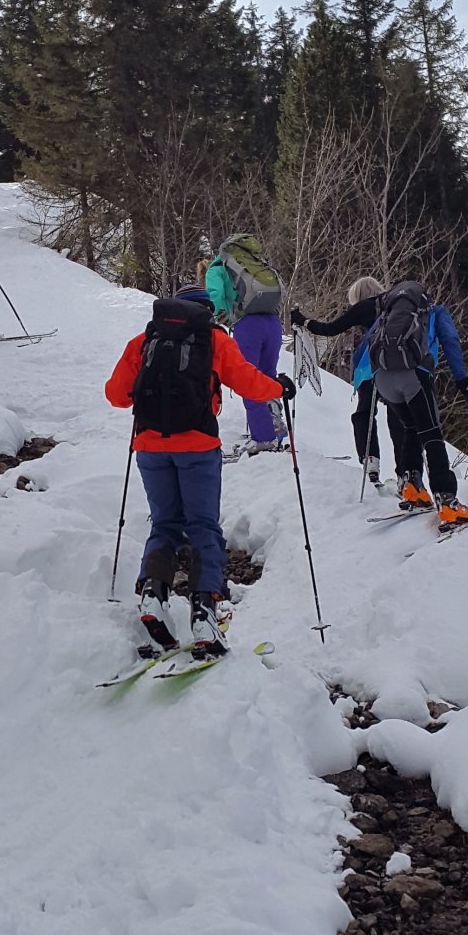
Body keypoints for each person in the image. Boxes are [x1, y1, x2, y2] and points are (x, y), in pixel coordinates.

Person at [105, 283, 295, 656]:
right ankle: (205, 613)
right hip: (198, 447)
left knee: (164, 525)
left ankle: (152, 594)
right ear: (206, 310)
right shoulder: (214, 339)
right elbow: (247, 382)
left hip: (149, 447)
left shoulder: (145, 341)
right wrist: (278, 388)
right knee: (203, 527)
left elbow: (115, 395)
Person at [291, 278, 468, 527]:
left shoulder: (385, 314)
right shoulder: (435, 311)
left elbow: (367, 342)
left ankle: (412, 487)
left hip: (383, 378)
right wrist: (462, 379)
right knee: (431, 433)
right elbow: (451, 341)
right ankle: (447, 501)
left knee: (411, 428)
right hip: (414, 375)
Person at [289, 275, 404, 485]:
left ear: (358, 296)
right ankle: (406, 473)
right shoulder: (395, 306)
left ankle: (371, 462)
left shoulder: (364, 307)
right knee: (398, 418)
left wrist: (303, 321)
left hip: (370, 366)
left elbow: (330, 329)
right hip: (399, 366)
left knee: (364, 413)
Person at [202, 238, 285, 453]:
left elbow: (214, 299)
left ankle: (263, 438)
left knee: (248, 380)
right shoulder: (255, 264)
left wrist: (206, 315)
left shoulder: (217, 268)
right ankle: (274, 427)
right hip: (273, 323)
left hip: (248, 325)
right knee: (267, 378)